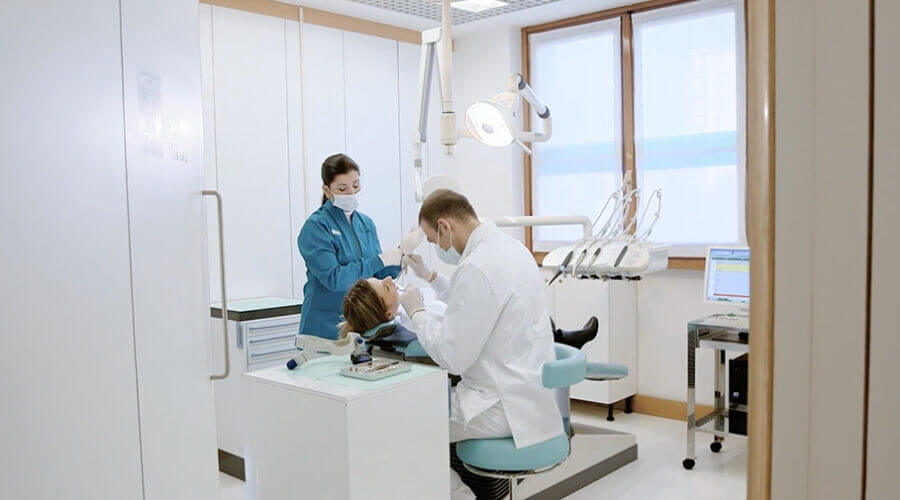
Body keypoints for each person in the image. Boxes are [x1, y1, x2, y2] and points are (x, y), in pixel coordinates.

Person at [398, 189, 563, 500]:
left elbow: (451, 357)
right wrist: (431, 277)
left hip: (498, 406)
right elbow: (479, 303)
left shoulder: (476, 266)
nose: (439, 248)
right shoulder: (513, 249)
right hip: (529, 395)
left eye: (435, 241)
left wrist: (417, 312)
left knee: (407, 430)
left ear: (445, 226)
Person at [297, 153, 418, 340]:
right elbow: (334, 279)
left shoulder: (366, 224)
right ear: (327, 190)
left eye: (355, 185)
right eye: (343, 188)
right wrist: (379, 260)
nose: (351, 193)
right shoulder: (316, 227)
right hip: (324, 325)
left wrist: (401, 255)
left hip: (362, 326)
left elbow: (376, 276)